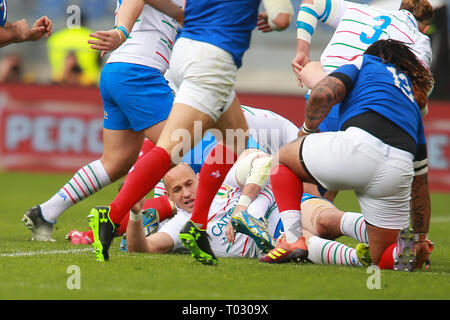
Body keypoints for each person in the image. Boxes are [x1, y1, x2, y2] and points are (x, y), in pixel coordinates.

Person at [87, 0, 294, 263]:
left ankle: (195, 225)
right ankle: (116, 216)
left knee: (234, 137)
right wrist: (271, 20)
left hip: (183, 53)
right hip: (214, 57)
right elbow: (284, 18)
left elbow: (178, 10)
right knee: (175, 149)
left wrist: (126, 29)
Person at [260, 39, 434, 272]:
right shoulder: (411, 105)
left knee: (282, 159)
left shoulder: (366, 62)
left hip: (358, 148)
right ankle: (406, 251)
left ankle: (292, 239)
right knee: (381, 255)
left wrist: (307, 132)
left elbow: (321, 94)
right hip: (398, 169)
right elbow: (420, 184)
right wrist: (421, 238)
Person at [22, 0, 183, 241]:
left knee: (116, 161)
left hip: (119, 69)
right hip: (139, 71)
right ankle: (126, 218)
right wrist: (122, 32)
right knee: (183, 148)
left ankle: (45, 213)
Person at [292, 0, 434, 201]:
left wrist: (302, 51)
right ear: (426, 27)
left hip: (325, 91)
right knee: (320, 193)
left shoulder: (358, 10)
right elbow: (417, 97)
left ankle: (298, 227)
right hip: (364, 110)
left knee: (307, 181)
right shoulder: (419, 40)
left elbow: (311, 3)